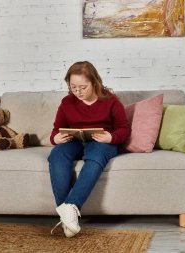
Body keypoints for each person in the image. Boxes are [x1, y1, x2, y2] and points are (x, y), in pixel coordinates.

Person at [48, 61, 131, 237]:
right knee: (56, 154)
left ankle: (70, 207)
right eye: (73, 87)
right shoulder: (67, 102)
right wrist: (56, 138)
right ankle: (68, 219)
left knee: (97, 154)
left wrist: (111, 137)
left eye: (82, 87)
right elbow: (56, 129)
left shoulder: (110, 100)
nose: (77, 92)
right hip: (75, 141)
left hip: (102, 141)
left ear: (94, 82)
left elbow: (124, 129)